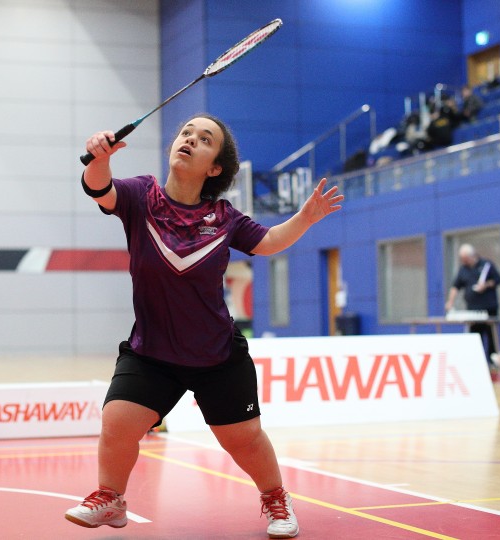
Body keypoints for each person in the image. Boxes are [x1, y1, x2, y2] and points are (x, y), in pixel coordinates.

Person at [66, 114, 344, 538]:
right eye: (186, 134)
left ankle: (275, 497)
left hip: (216, 355)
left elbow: (267, 242)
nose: (191, 140)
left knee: (244, 440)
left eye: (205, 139)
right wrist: (99, 157)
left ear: (214, 167)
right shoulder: (142, 196)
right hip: (152, 352)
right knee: (117, 422)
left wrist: (306, 217)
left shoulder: (224, 217)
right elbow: (100, 189)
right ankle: (111, 498)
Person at [445, 244, 500, 360]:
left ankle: (493, 362)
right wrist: (450, 301)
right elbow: (456, 286)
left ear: (471, 256)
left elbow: (498, 280)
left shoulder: (486, 265)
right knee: (475, 336)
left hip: (488, 308)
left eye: (465, 259)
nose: (464, 261)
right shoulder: (463, 270)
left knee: (491, 335)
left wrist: (485, 285)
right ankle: (476, 360)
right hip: (473, 309)